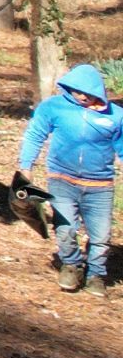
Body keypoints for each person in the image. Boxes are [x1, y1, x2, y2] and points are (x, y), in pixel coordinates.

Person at [18, 62, 121, 293]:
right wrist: (26, 167)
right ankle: (71, 264)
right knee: (65, 229)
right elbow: (35, 135)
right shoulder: (53, 108)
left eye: (87, 91)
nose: (82, 96)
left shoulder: (116, 117)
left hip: (100, 185)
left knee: (101, 235)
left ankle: (96, 274)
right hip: (62, 179)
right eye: (77, 90)